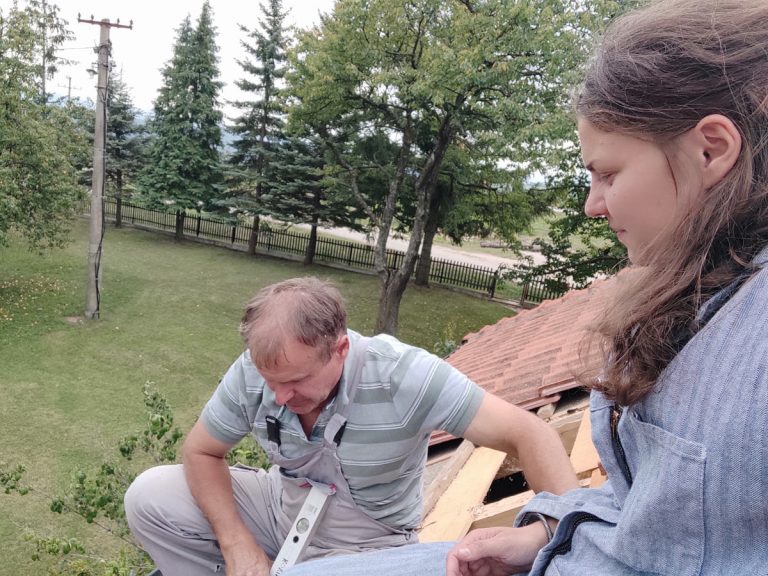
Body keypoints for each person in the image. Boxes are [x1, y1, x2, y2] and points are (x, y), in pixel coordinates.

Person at [278, 0, 768, 574]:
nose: (592, 205)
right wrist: (546, 532)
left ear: (711, 149)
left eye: (608, 173)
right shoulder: (705, 292)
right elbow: (657, 508)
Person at [124, 276, 578, 576]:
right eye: (270, 381)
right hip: (281, 510)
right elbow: (201, 451)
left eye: (296, 381)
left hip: (369, 545)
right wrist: (236, 542)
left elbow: (530, 433)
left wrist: (553, 532)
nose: (279, 396)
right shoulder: (255, 372)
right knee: (150, 496)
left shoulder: (405, 375)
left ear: (339, 350)